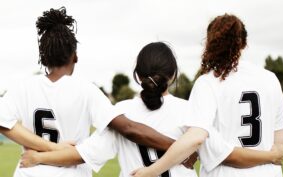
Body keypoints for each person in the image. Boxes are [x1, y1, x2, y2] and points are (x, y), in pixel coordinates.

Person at [20, 42, 283, 177]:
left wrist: (42, 155)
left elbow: (81, 155)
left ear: (137, 75)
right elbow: (227, 155)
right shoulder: (191, 112)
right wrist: (271, 155)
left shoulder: (121, 111)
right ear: (173, 75)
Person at [0, 7, 179, 177]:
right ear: (74, 56)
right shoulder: (86, 90)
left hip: (29, 171)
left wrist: (47, 147)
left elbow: (3, 122)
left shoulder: (24, 87)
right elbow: (128, 128)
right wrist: (179, 148)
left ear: (43, 56)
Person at [131, 14, 283, 177]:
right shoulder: (270, 79)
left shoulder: (208, 83)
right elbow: (279, 148)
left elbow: (196, 138)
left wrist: (150, 171)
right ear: (244, 43)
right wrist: (269, 157)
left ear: (210, 43)